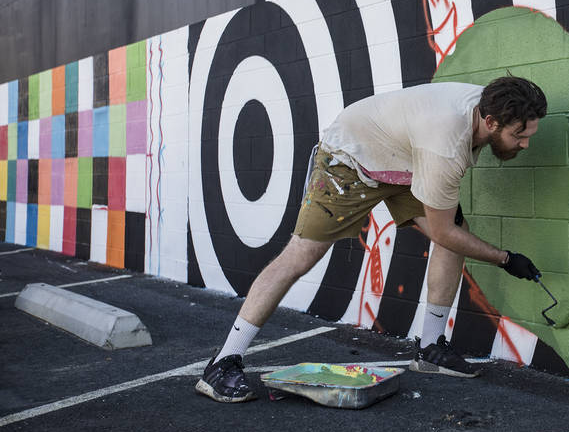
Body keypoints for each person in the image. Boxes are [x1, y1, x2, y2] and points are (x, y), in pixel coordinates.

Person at [195, 76, 547, 402]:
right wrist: (505, 258)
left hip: (402, 162)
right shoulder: (445, 144)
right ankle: (223, 363)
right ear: (490, 122)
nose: (526, 144)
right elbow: (443, 231)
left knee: (457, 237)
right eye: (519, 135)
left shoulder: (489, 105)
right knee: (301, 256)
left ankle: (430, 350)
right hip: (351, 159)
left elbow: (448, 234)